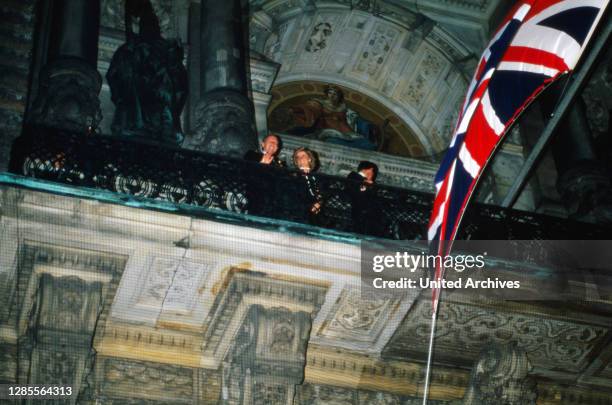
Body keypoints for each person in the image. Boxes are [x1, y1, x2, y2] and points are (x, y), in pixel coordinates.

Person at [243, 134, 286, 217]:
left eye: (276, 144)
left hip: (274, 205)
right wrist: (261, 166)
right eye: (271, 142)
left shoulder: (280, 165)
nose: (274, 144)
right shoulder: (252, 155)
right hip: (255, 199)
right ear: (263, 144)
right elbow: (244, 173)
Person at [346, 161, 382, 235]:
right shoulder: (354, 175)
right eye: (372, 172)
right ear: (370, 169)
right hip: (352, 203)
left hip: (364, 209)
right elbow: (352, 183)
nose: (372, 176)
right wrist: (366, 181)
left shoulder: (373, 184)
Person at [292, 147, 323, 223]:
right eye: (297, 157)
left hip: (314, 217)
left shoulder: (318, 178)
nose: (300, 158)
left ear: (309, 159)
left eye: (303, 156)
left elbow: (322, 194)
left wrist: (319, 203)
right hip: (298, 214)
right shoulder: (293, 176)